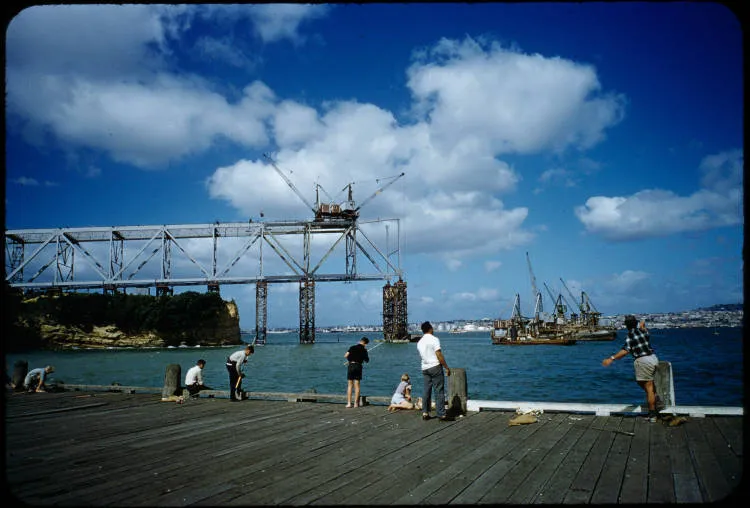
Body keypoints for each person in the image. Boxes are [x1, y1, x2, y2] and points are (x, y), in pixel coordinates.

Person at [602, 315, 661, 422]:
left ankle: (653, 415)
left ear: (626, 326)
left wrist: (611, 358)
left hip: (643, 360)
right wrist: (643, 325)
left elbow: (625, 350)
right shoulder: (643, 332)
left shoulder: (630, 335)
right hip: (653, 358)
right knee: (646, 385)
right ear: (636, 323)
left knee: (648, 388)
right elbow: (646, 332)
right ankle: (654, 398)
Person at [417, 321, 453, 421]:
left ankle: (425, 412)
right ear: (430, 329)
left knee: (426, 390)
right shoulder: (434, 339)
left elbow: (422, 356)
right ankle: (441, 414)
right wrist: (446, 367)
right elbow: (438, 354)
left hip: (425, 367)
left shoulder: (419, 342)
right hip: (435, 366)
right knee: (439, 390)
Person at [344, 336, 369, 408]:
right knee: (357, 385)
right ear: (365, 343)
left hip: (351, 365)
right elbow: (367, 360)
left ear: (360, 341)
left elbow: (345, 355)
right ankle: (356, 404)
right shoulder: (364, 350)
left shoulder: (352, 347)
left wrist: (350, 359)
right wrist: (364, 354)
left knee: (350, 385)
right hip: (358, 366)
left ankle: (349, 403)